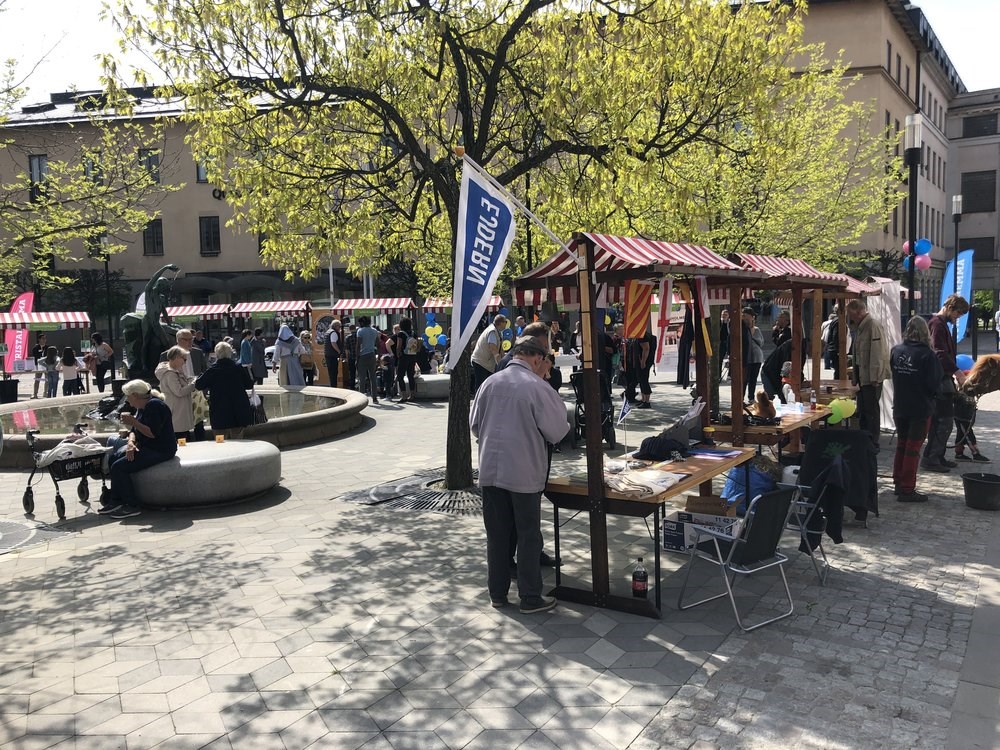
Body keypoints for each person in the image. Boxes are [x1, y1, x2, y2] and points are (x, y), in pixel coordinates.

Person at [470, 335, 569, 614]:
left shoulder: (490, 382)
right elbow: (558, 431)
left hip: (490, 470)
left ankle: (497, 593)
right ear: (537, 358)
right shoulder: (537, 387)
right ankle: (530, 597)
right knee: (527, 535)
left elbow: (475, 426)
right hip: (524, 472)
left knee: (497, 535)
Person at [98, 379, 176, 519]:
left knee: (119, 467)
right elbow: (134, 430)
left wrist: (133, 421)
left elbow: (152, 433)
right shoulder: (142, 406)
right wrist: (130, 443)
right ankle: (116, 500)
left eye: (128, 396)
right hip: (146, 446)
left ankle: (132, 505)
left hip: (160, 449)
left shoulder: (155, 406)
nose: (127, 400)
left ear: (135, 395)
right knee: (114, 458)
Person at [889, 316, 942, 502]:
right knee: (913, 448)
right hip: (920, 408)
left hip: (900, 405)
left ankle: (898, 481)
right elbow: (934, 384)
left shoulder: (896, 350)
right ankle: (907, 488)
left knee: (902, 445)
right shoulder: (928, 355)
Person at [923, 295, 971, 473]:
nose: (958, 317)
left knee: (942, 421)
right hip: (939, 381)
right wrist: (957, 372)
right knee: (943, 421)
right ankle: (932, 458)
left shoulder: (941, 325)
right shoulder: (937, 325)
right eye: (958, 313)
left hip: (942, 379)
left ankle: (937, 456)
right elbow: (939, 353)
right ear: (951, 308)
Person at [846, 299, 890, 443]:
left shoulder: (872, 326)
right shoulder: (861, 326)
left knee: (871, 411)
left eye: (851, 315)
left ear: (859, 312)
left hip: (871, 378)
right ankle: (865, 438)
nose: (850, 318)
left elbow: (878, 353)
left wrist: (876, 376)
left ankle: (872, 440)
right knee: (863, 410)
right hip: (863, 376)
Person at [196, 341, 253, 438]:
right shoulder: (238, 368)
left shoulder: (212, 370)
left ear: (217, 353)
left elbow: (199, 385)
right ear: (230, 353)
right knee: (238, 439)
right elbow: (249, 384)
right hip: (238, 409)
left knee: (220, 440)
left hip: (219, 409)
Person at [154, 345, 197, 440]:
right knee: (181, 438)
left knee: (183, 436)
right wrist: (194, 384)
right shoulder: (170, 374)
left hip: (178, 410)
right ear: (177, 357)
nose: (185, 363)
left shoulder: (174, 370)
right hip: (177, 412)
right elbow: (179, 392)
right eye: (184, 360)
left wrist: (190, 380)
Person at [471, 314, 507, 392]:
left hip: (486, 363)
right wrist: (500, 364)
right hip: (481, 362)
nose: (506, 324)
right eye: (505, 322)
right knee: (481, 385)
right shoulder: (492, 331)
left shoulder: (498, 331)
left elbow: (500, 349)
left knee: (488, 385)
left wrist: (504, 360)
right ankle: (479, 402)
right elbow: (493, 349)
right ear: (500, 323)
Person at [355, 315, 379, 404]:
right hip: (372, 355)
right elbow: (378, 344)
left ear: (361, 323)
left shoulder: (360, 331)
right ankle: (375, 398)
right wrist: (379, 356)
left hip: (363, 356)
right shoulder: (374, 331)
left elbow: (358, 345)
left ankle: (361, 399)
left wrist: (357, 358)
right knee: (373, 377)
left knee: (362, 378)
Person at [393, 317, 419, 402]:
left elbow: (398, 346)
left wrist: (398, 354)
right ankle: (412, 395)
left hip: (404, 356)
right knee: (411, 376)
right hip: (412, 356)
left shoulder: (401, 334)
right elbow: (417, 344)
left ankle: (404, 396)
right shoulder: (413, 333)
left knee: (400, 376)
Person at [743, 308, 763, 403]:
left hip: (756, 357)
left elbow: (761, 342)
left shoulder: (756, 329)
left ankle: (751, 397)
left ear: (752, 317)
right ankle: (741, 397)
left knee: (753, 379)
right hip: (746, 358)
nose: (745, 318)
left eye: (747, 316)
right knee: (744, 379)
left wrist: (753, 337)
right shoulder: (742, 329)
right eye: (744, 316)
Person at [324, 320, 342, 387]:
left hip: (328, 355)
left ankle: (333, 386)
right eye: (339, 326)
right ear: (336, 326)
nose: (340, 328)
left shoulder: (328, 331)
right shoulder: (333, 333)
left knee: (331, 373)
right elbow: (333, 343)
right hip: (332, 356)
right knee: (334, 373)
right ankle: (334, 387)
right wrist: (339, 351)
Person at [31, 333, 47, 399]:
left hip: (46, 365)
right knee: (37, 380)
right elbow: (36, 356)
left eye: (45, 338)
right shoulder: (35, 348)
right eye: (43, 338)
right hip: (38, 365)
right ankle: (35, 394)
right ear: (39, 339)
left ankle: (45, 393)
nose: (44, 340)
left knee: (47, 380)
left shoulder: (47, 347)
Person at [343, 324, 358, 390]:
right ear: (355, 328)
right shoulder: (359, 335)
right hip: (360, 357)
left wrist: (347, 358)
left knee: (352, 373)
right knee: (361, 372)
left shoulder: (348, 337)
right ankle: (362, 386)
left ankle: (352, 387)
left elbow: (347, 350)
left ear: (349, 329)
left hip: (351, 357)